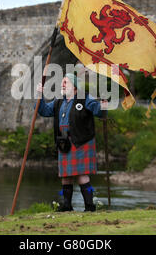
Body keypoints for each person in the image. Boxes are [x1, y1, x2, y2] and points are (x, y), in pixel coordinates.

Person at [36, 73, 107, 212]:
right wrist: (40, 95)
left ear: (75, 87)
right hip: (64, 142)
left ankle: (89, 206)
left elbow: (98, 112)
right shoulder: (58, 101)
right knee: (65, 175)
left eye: (65, 82)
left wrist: (103, 104)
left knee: (82, 174)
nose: (62, 84)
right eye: (62, 82)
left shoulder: (84, 98)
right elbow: (43, 111)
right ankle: (67, 206)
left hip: (81, 140)